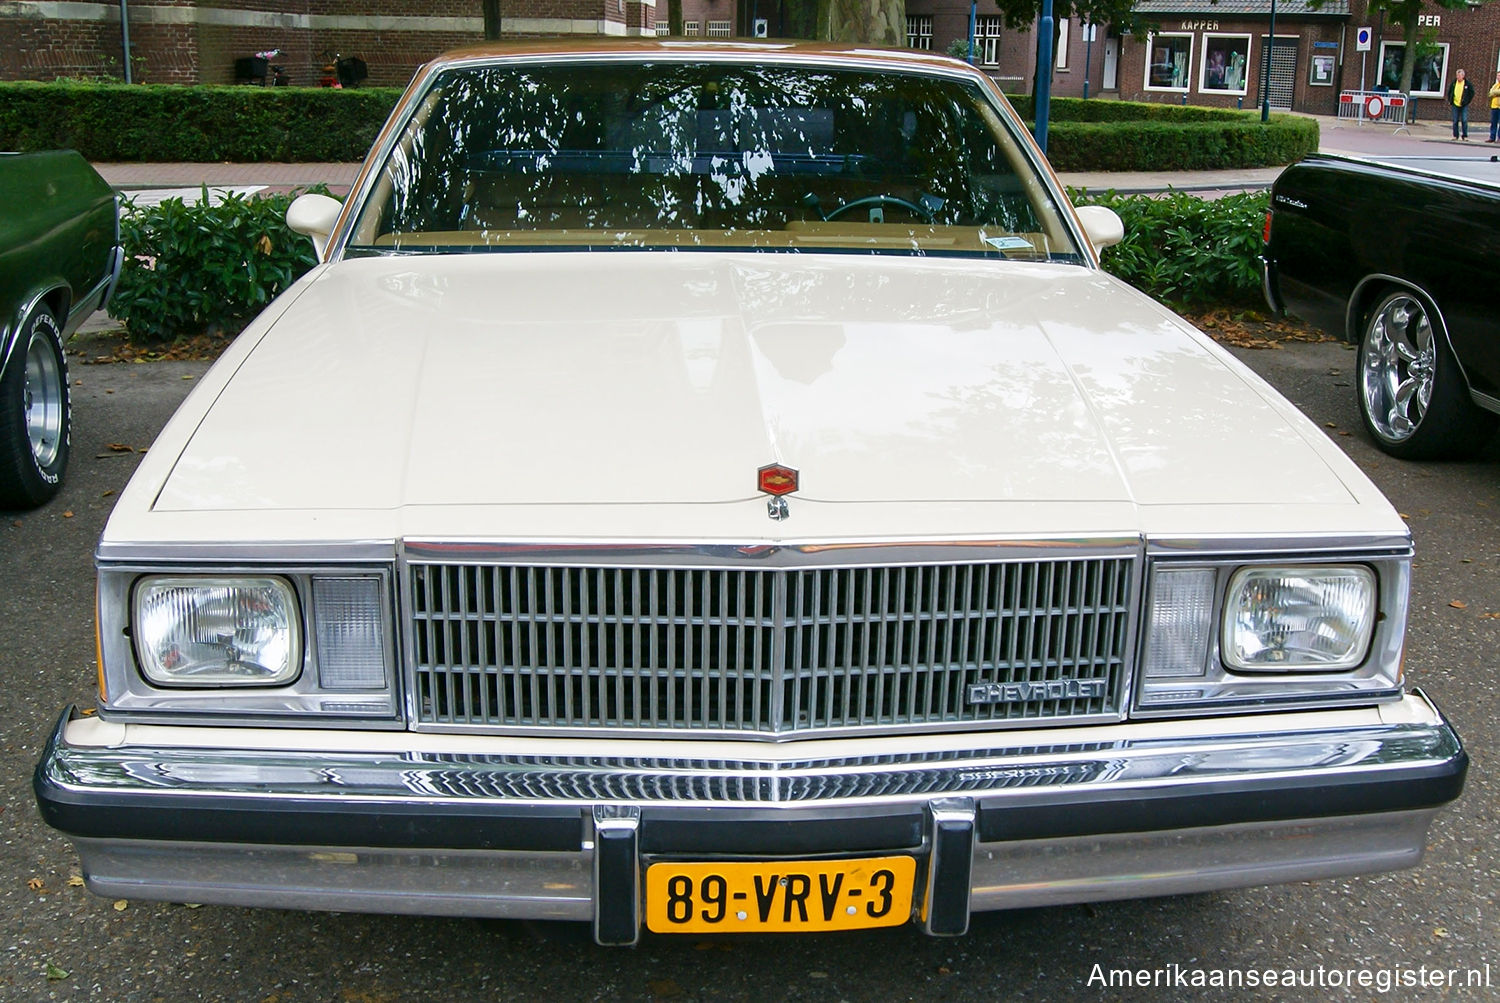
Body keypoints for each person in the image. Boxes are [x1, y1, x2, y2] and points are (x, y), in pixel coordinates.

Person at [1449, 68, 1474, 140]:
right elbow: (1450, 91)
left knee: (1464, 120)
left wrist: (1467, 101)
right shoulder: (1454, 83)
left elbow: (1471, 93)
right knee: (1455, 120)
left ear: (1463, 76)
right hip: (1455, 104)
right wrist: (1451, 100)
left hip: (1463, 105)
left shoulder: (1467, 84)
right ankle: (1455, 135)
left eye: (1459, 75)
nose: (1458, 77)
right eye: (1457, 75)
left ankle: (1464, 135)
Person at [1489, 71, 1500, 142]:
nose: (1498, 77)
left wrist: (1494, 92)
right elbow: (1490, 93)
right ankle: (1492, 137)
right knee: (1493, 123)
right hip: (1494, 107)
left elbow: (1496, 92)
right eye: (1498, 76)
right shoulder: (1495, 85)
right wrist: (1495, 92)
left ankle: (1499, 138)